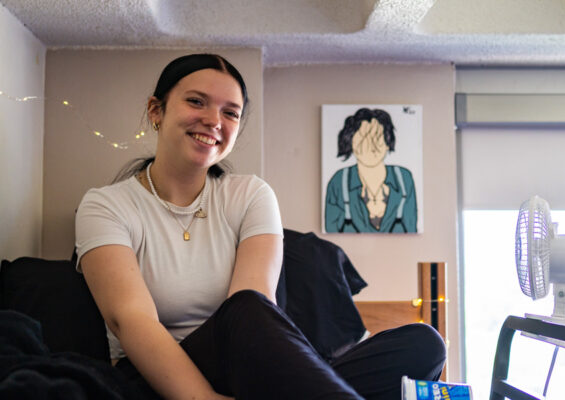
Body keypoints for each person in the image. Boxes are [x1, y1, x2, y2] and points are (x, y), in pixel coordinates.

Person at [76, 54, 445, 400]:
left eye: (230, 113)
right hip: (156, 379)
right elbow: (130, 320)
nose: (214, 120)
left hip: (252, 370)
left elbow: (257, 313)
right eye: (196, 102)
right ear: (156, 111)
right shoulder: (106, 206)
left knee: (423, 344)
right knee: (244, 311)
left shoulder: (250, 194)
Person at [325, 108, 417, 233]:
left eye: (378, 137)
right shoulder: (339, 182)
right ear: (351, 142)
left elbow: (411, 227)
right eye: (364, 139)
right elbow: (330, 236)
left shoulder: (403, 179)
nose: (371, 147)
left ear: (387, 142)